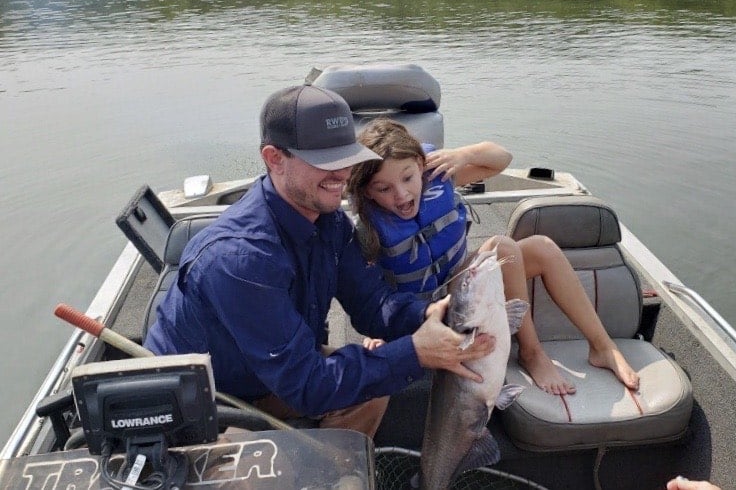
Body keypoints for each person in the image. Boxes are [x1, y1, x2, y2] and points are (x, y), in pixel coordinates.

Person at [144, 85, 494, 438]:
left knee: (370, 387)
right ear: (274, 158)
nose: (341, 174)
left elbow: (373, 304)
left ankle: (337, 470)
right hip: (203, 403)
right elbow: (308, 385)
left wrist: (428, 315)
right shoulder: (241, 260)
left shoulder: (327, 221)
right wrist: (416, 352)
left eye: (347, 157)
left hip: (277, 369)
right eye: (326, 161)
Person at [346, 118, 640, 395]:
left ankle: (603, 347)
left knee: (542, 249)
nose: (401, 194)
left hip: (460, 281)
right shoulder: (367, 229)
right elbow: (370, 296)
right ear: (368, 193)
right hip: (427, 312)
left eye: (408, 178)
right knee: (506, 247)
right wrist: (383, 335)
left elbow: (502, 158)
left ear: (421, 165)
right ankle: (531, 352)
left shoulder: (437, 176)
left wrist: (462, 154)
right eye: (384, 188)